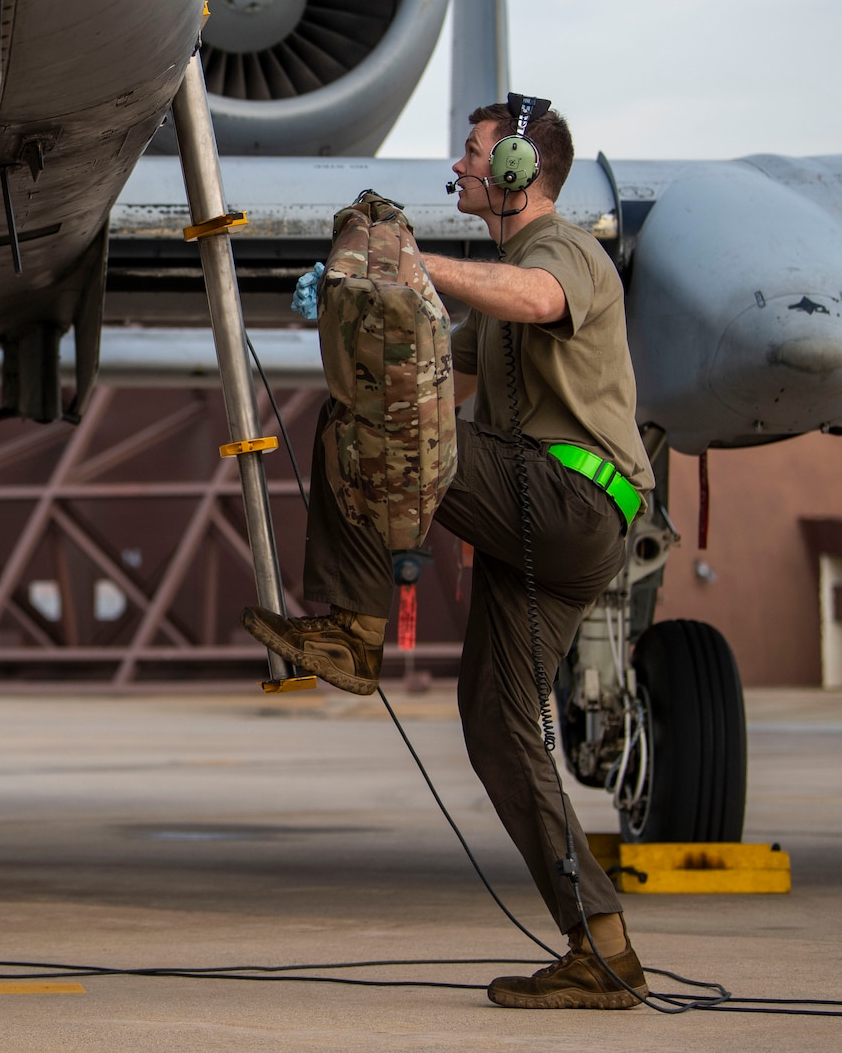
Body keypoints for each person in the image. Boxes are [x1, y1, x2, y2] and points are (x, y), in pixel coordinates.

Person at [243, 101, 657, 1010]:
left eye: (471, 154)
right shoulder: (504, 278)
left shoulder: (563, 253)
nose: (458, 168)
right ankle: (603, 947)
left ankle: (351, 627)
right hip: (548, 522)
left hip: (572, 498)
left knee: (362, 427)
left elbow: (541, 302)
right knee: (498, 729)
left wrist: (414, 261)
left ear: (516, 168)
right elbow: (429, 364)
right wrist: (351, 314)